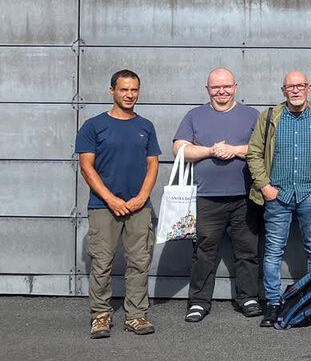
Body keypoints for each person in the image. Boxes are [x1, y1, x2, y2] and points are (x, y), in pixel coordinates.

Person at [246, 71, 311, 328]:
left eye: (300, 86)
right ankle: (273, 303)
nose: (296, 90)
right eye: (291, 86)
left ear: (309, 88)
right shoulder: (270, 117)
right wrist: (265, 186)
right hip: (277, 195)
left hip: (310, 195)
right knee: (274, 250)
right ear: (283, 90)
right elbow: (254, 153)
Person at [172, 67, 262, 323]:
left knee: (247, 251)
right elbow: (179, 149)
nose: (221, 91)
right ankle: (199, 302)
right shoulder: (194, 116)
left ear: (235, 87)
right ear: (207, 89)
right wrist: (211, 151)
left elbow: (263, 149)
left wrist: (233, 150)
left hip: (245, 197)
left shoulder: (251, 115)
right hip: (206, 198)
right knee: (203, 251)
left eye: (226, 86)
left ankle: (249, 298)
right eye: (215, 87)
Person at [77, 69, 161, 339]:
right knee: (102, 262)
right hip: (103, 206)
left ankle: (136, 315)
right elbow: (86, 168)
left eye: (134, 90)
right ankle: (101, 315)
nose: (129, 95)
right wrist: (111, 199)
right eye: (123, 89)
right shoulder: (93, 126)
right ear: (112, 90)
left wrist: (140, 198)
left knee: (139, 261)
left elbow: (152, 165)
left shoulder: (145, 126)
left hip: (139, 206)